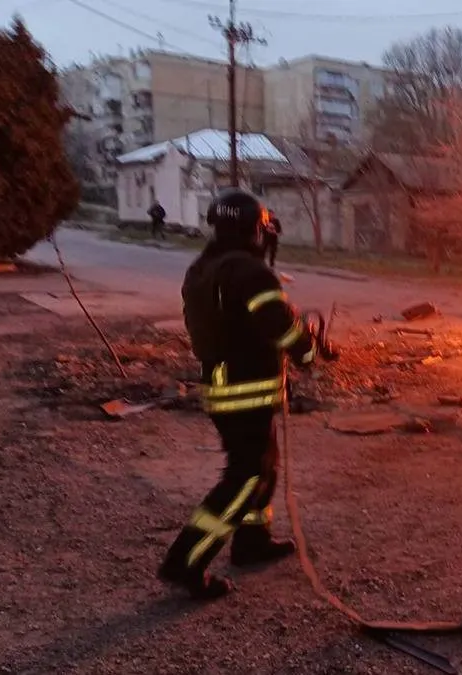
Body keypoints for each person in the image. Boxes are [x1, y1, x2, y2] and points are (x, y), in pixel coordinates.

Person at [158, 187, 339, 600]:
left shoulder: (204, 268)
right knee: (245, 476)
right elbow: (282, 326)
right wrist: (310, 349)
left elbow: (240, 323)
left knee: (265, 464)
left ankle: (253, 540)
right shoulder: (252, 274)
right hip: (245, 389)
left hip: (226, 384)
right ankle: (186, 560)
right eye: (263, 229)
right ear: (254, 230)